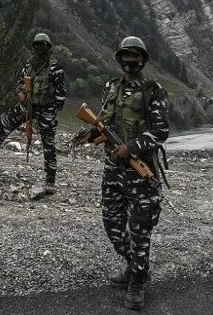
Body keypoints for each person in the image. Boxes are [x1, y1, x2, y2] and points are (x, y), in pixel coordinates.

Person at [73, 36, 170, 310]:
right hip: (113, 170)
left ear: (143, 60)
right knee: (112, 226)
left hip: (140, 173)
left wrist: (132, 147)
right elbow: (105, 122)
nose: (130, 62)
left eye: (135, 57)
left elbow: (161, 131)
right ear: (119, 59)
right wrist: (92, 132)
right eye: (126, 57)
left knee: (140, 230)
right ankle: (136, 267)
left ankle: (137, 282)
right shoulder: (111, 87)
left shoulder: (153, 90)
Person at [0, 33, 66, 194]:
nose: (39, 48)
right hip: (28, 104)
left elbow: (60, 95)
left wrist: (50, 111)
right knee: (3, 125)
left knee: (48, 143)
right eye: (37, 45)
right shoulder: (29, 65)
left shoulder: (55, 68)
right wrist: (21, 95)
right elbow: (19, 84)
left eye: (42, 45)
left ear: (48, 47)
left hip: (46, 108)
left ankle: (50, 179)